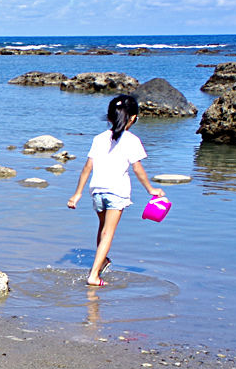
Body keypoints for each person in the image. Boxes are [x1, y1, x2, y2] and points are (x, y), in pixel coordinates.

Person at [66, 94, 164, 288]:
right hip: (117, 192)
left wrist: (76, 194)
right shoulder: (132, 140)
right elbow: (137, 169)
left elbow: (87, 168)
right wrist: (151, 190)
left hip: (97, 191)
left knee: (102, 228)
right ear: (134, 117)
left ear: (109, 117)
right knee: (108, 233)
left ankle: (101, 262)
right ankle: (94, 275)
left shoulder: (99, 138)